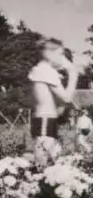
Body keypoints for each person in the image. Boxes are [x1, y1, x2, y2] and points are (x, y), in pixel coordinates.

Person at [30, 37, 78, 165]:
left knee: (50, 163)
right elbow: (67, 98)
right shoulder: (46, 71)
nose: (63, 58)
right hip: (45, 121)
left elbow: (58, 104)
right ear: (48, 54)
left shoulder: (41, 70)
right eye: (60, 54)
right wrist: (73, 73)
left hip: (45, 120)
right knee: (46, 164)